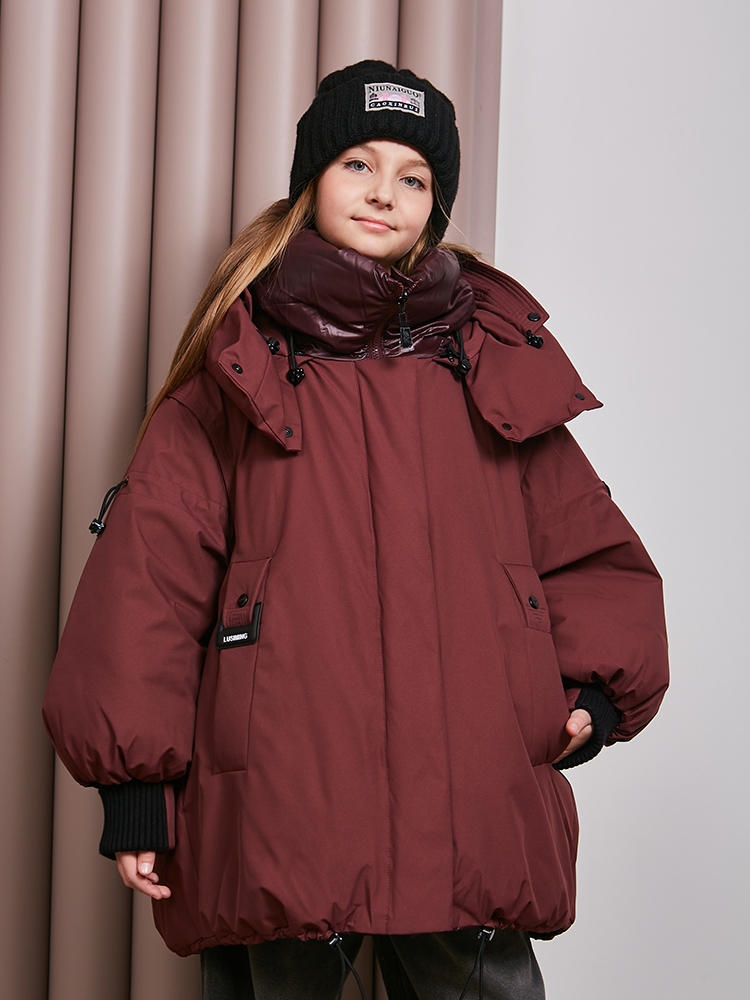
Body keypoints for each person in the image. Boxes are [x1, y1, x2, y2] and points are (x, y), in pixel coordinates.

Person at [43, 61, 669, 1000]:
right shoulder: (237, 374)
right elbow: (147, 581)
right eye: (358, 164)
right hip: (285, 796)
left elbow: (586, 545)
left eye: (413, 177)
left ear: (435, 207)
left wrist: (599, 692)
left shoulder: (493, 369)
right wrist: (136, 786)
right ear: (312, 181)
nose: (384, 193)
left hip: (472, 793)